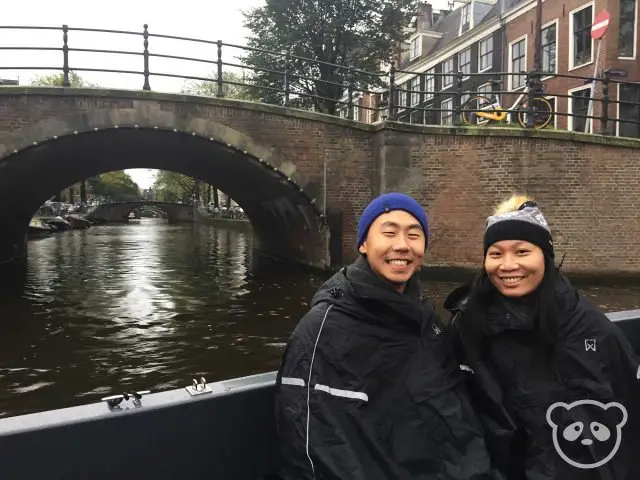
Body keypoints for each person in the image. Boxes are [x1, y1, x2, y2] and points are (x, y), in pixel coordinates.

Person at [274, 192, 501, 480]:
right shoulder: (322, 329)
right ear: (364, 244)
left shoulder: (426, 320)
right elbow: (316, 449)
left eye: (414, 235)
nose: (402, 246)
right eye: (389, 233)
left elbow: (452, 417)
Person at [445, 194, 640, 480]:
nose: (508, 265)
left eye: (522, 252)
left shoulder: (590, 328)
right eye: (496, 254)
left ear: (545, 256)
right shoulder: (469, 327)